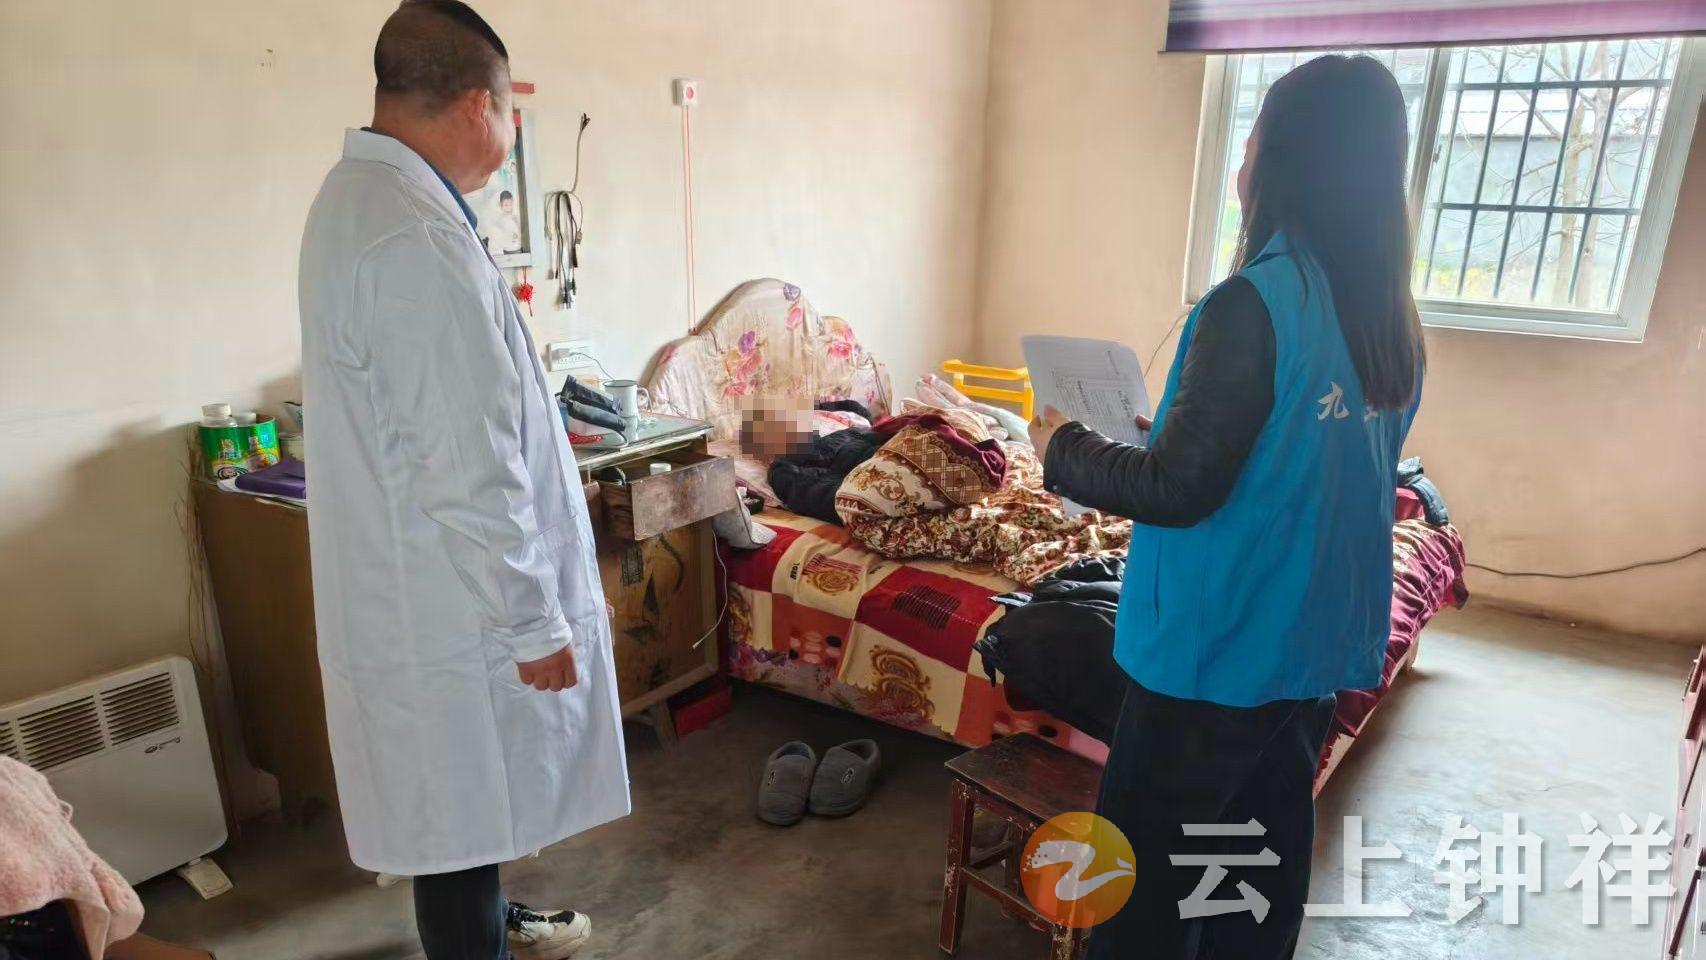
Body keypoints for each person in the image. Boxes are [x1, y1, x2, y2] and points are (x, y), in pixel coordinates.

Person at [1029, 55, 1425, 959]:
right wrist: (1170, 432)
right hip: (1314, 648)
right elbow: (1306, 455)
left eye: (1252, 142)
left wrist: (1058, 447)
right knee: (1251, 865)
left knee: (1144, 895)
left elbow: (1178, 491)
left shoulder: (1252, 304)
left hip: (1216, 655)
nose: (1243, 162)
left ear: (1282, 163)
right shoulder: (1386, 317)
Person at [297, 3, 629, 959]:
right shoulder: (414, 241)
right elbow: (468, 466)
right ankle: (473, 939)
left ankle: (487, 919)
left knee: (456, 804)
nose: (511, 135)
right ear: (481, 105)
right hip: (448, 598)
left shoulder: (357, 199)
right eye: (512, 111)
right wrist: (533, 620)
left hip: (415, 587)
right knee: (458, 802)